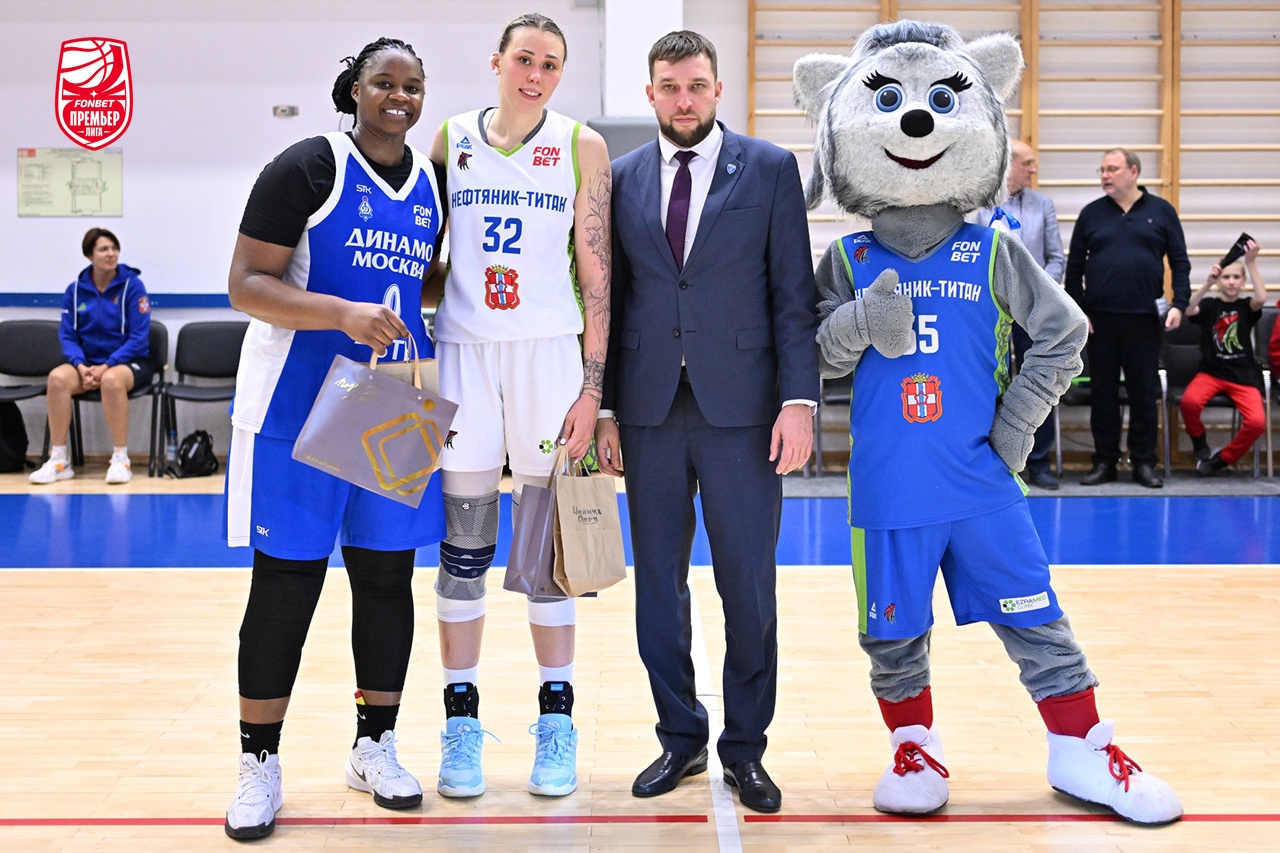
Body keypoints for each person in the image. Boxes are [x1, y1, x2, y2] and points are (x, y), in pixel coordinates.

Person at [221, 37, 447, 840]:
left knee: (387, 579)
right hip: (296, 404)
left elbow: (422, 282)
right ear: (354, 88)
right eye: (384, 82)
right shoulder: (309, 166)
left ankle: (373, 744)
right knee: (286, 585)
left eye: (413, 86)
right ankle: (258, 760)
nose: (399, 97)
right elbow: (245, 283)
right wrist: (342, 315)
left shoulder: (432, 184)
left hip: (391, 403)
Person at [596, 30, 819, 815]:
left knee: (747, 588)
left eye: (696, 85)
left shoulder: (769, 168)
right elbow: (609, 300)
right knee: (657, 588)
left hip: (745, 412)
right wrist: (607, 407)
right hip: (648, 410)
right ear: (650, 92)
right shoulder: (619, 177)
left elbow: (794, 296)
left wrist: (799, 401)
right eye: (669, 86)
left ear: (717, 89)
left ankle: (745, 748)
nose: (683, 99)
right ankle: (681, 735)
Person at [427, 13, 611, 800]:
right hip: (463, 353)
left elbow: (597, 276)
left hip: (549, 356)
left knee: (546, 553)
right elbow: (425, 251)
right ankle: (460, 724)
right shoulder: (450, 139)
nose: (536, 75)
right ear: (497, 61)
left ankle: (556, 721)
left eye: (551, 64)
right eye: (525, 59)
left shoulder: (581, 145)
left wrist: (593, 390)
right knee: (464, 547)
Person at [1065, 148, 1191, 489]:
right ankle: (1105, 461)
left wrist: (1180, 303)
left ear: (1133, 172)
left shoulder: (1161, 211)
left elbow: (1180, 262)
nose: (1105, 176)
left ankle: (1143, 462)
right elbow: (1074, 268)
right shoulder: (1091, 214)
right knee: (1103, 395)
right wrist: (1079, 311)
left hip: (1145, 320)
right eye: (1102, 170)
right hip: (1100, 321)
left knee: (1143, 394)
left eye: (1112, 169)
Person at [973, 139, 1066, 489]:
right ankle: (991, 460)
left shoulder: (1043, 205)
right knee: (987, 382)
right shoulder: (978, 204)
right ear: (1009, 164)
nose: (1034, 169)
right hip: (988, 311)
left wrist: (1036, 291)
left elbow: (1056, 258)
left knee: (1038, 383)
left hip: (1034, 311)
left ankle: (1038, 462)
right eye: (1028, 163)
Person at [29, 227, 151, 486]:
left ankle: (120, 459)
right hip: (87, 364)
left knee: (111, 381)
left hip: (128, 363)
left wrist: (107, 365)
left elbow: (139, 338)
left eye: (114, 248)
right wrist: (80, 365)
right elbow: (68, 336)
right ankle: (59, 460)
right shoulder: (75, 291)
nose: (111, 254)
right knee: (57, 379)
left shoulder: (132, 286)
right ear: (89, 255)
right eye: (104, 249)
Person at [1181, 239, 1267, 475]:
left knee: (1257, 422)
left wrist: (1251, 263)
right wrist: (1207, 284)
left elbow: (1261, 298)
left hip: (1242, 375)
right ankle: (1200, 443)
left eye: (1236, 277)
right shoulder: (1210, 305)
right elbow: (1188, 309)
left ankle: (1221, 460)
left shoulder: (1246, 306)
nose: (1231, 281)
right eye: (1226, 277)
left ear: (1243, 281)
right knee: (1189, 403)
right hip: (1211, 372)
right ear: (1220, 281)